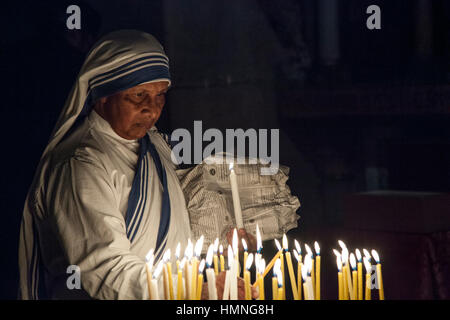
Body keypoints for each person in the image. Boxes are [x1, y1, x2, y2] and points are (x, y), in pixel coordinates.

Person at [18, 29, 256, 300]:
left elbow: (165, 228)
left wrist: (217, 242)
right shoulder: (80, 164)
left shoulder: (154, 145)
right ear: (103, 96)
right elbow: (106, 270)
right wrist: (190, 291)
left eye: (160, 95)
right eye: (139, 95)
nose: (152, 109)